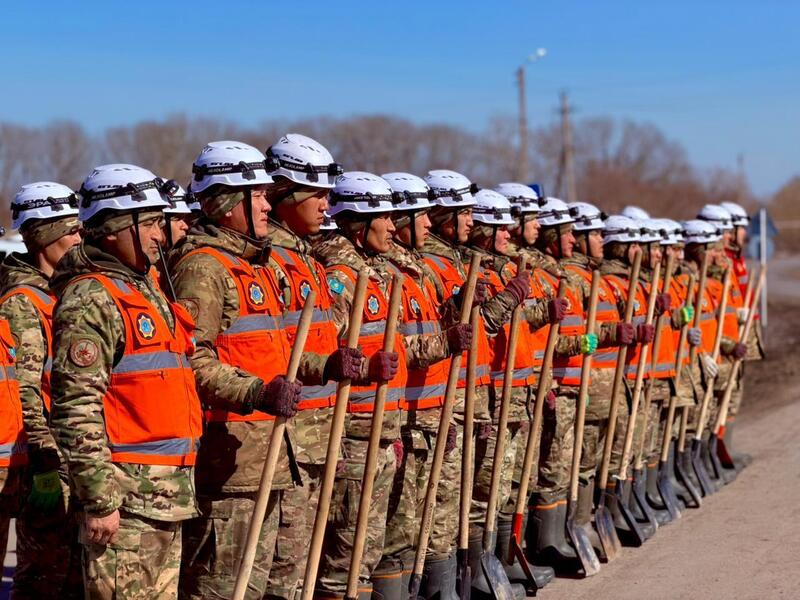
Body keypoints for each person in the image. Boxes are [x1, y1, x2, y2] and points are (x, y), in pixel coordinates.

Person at [49, 163, 203, 599]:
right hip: (126, 504)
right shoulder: (92, 297)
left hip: (165, 498)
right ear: (115, 228)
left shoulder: (144, 288)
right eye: (151, 223)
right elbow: (76, 407)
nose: (161, 234)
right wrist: (99, 500)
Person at [171, 142, 302, 599]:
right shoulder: (204, 269)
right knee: (222, 590)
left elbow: (277, 350)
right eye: (259, 195)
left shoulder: (253, 265)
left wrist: (330, 364)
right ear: (228, 205)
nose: (269, 205)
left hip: (267, 456)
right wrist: (255, 393)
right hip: (228, 466)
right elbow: (190, 358)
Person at [262, 133, 364, 600]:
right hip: (287, 441)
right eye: (318, 194)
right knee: (284, 572)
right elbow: (275, 351)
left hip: (320, 432)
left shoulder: (308, 256)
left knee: (303, 565)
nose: (328, 204)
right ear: (287, 197)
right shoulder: (272, 260)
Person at [379, 171, 473, 599]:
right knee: (402, 527)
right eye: (422, 216)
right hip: (405, 413)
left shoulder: (423, 270)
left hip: (436, 406)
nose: (430, 225)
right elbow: (400, 347)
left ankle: (440, 586)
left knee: (434, 515)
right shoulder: (392, 273)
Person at [312, 171, 405, 598]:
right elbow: (326, 352)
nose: (392, 227)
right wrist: (365, 368)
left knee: (366, 552)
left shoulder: (374, 272)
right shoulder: (341, 277)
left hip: (379, 427)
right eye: (382, 218)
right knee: (344, 559)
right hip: (350, 432)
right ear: (357, 223)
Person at [0, 182, 83, 598]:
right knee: (42, 578)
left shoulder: (58, 293)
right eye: (70, 231)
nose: (78, 238)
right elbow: (26, 390)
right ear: (44, 239)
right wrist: (46, 460)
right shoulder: (23, 301)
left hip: (68, 456)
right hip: (44, 463)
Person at [562, 201, 634, 555]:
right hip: (588, 383)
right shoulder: (574, 278)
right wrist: (610, 334)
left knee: (600, 456)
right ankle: (575, 523)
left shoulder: (597, 278)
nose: (602, 240)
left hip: (610, 385)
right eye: (596, 235)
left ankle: (589, 518)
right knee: (583, 459)